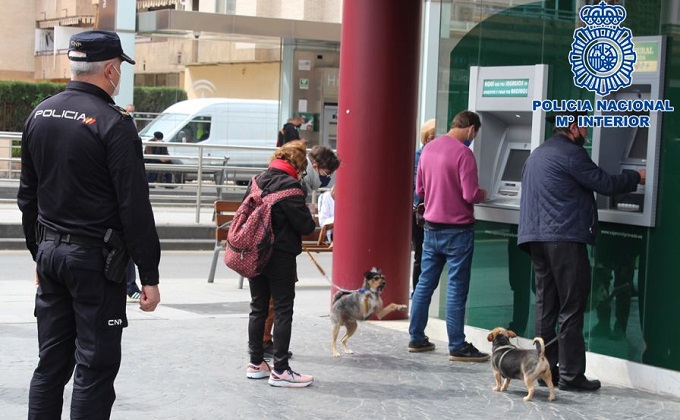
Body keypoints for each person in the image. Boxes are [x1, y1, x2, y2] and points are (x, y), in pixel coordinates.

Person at [17, 30, 162, 418]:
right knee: (94, 369)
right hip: (95, 262)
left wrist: (40, 253)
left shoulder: (40, 113)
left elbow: (27, 197)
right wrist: (148, 274)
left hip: (51, 255)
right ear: (111, 69)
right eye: (120, 70)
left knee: (51, 364)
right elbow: (134, 206)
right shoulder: (114, 124)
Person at [518, 110, 645, 392]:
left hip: (536, 238)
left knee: (545, 307)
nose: (586, 132)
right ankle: (572, 376)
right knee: (571, 307)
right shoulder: (572, 154)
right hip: (564, 238)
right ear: (572, 127)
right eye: (584, 126)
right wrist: (636, 175)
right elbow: (606, 184)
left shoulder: (537, 154)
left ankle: (544, 369)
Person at [408, 111, 489, 363]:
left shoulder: (429, 149)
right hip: (458, 231)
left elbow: (420, 190)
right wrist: (484, 194)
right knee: (455, 288)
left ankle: (417, 338)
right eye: (475, 133)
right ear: (471, 129)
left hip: (431, 228)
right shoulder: (464, 154)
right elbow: (469, 193)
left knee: (424, 284)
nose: (474, 138)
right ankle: (457, 345)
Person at [245, 140, 317, 387]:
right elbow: (306, 227)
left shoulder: (257, 180)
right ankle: (281, 370)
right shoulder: (291, 187)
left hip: (255, 255)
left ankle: (256, 364)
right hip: (280, 258)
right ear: (297, 165)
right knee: (284, 310)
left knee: (258, 308)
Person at [262, 144, 341, 358]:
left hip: (263, 248)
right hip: (280, 250)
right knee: (279, 304)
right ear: (312, 165)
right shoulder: (294, 184)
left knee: (261, 303)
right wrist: (304, 215)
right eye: (326, 173)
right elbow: (303, 226)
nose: (327, 179)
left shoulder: (266, 177)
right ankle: (273, 352)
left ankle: (258, 354)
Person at [412, 119, 435, 295]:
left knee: (421, 254)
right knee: (421, 253)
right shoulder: (421, 157)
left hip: (421, 210)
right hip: (421, 212)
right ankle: (418, 290)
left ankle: (418, 290)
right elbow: (419, 187)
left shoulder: (421, 155)